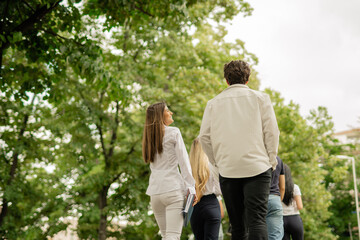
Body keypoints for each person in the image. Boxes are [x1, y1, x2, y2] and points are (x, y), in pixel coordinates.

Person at [199, 60, 280, 240]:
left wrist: (216, 163)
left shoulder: (213, 104)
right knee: (257, 221)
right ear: (248, 79)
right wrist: (271, 160)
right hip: (258, 167)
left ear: (226, 80)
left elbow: (204, 136)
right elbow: (272, 132)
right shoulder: (261, 98)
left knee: (237, 226)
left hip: (228, 170)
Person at [143, 102, 196, 240]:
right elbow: (184, 162)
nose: (170, 113)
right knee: (172, 236)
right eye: (167, 110)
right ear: (160, 115)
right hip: (172, 190)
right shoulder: (173, 132)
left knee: (166, 236)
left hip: (155, 193)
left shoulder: (149, 137)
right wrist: (191, 187)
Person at [189, 138, 222, 240]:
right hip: (211, 204)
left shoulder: (188, 169)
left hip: (195, 207)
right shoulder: (212, 166)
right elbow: (219, 190)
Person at [282, 164, 304, 240]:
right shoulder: (295, 187)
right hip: (295, 219)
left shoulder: (275, 188)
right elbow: (300, 206)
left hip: (281, 220)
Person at [266, 156, 285, 240]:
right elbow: (283, 187)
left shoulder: (256, 157)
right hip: (274, 198)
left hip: (258, 199)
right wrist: (278, 200)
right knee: (275, 236)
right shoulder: (278, 160)